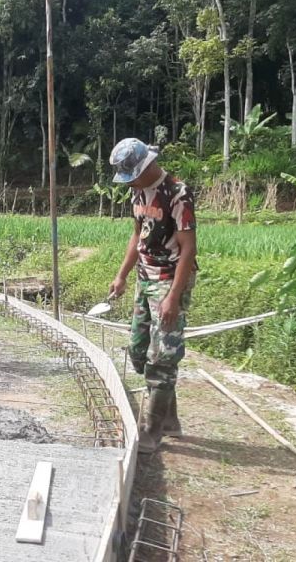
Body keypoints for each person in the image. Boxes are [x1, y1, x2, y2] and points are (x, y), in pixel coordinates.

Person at [108, 138, 197, 454]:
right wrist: (121, 275)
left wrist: (173, 296)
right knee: (138, 349)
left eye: (132, 174)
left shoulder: (177, 194)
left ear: (146, 166)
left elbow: (188, 249)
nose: (129, 181)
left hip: (170, 280)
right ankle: (170, 419)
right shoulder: (138, 191)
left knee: (162, 356)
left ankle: (150, 431)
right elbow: (137, 236)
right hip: (144, 278)